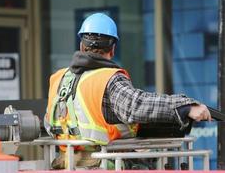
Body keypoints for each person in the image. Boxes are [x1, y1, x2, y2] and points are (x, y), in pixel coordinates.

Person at [44, 13, 212, 169]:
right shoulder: (108, 79)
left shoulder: (58, 79)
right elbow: (136, 105)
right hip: (105, 165)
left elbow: (49, 124)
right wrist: (186, 107)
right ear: (113, 49)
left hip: (67, 165)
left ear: (82, 46)